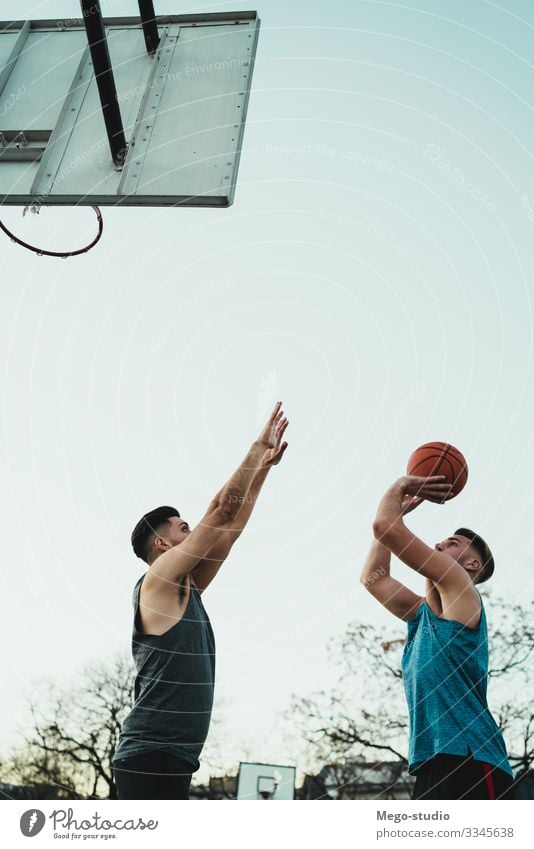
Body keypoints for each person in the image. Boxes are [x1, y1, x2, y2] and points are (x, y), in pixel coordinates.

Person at [112, 402, 289, 799]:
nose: (193, 529)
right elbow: (222, 508)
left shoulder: (187, 586)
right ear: (162, 542)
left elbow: (232, 527)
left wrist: (261, 473)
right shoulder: (158, 580)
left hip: (174, 755)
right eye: (183, 527)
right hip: (148, 754)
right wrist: (258, 448)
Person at [360, 474, 513, 800]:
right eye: (443, 541)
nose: (440, 544)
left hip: (472, 759)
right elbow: (374, 579)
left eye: (453, 544)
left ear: (472, 564)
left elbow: (383, 525)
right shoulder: (421, 617)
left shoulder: (462, 589)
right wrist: (395, 517)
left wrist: (399, 486)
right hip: (431, 761)